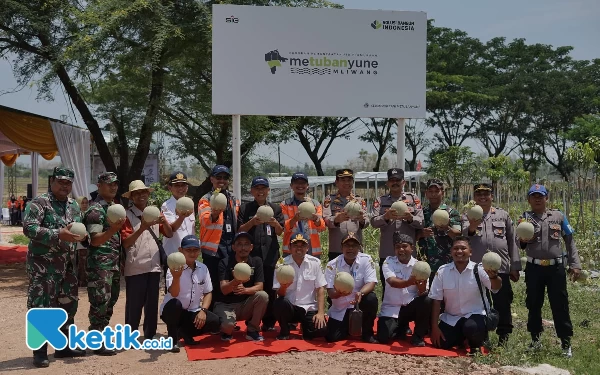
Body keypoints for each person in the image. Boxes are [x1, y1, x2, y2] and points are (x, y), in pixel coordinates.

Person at [23, 167, 87, 367]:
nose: (65, 186)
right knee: (42, 307)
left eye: (68, 182)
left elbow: (76, 230)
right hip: (43, 267)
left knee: (68, 304)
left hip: (67, 266)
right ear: (52, 181)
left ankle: (63, 346)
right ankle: (39, 352)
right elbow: (29, 228)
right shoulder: (40, 203)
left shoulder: (73, 206)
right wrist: (57, 234)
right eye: (61, 182)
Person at [517, 184, 581, 358]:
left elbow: (569, 241)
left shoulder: (558, 216)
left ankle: (565, 343)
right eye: (534, 196)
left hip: (555, 268)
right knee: (533, 304)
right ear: (529, 199)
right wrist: (522, 239)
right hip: (534, 268)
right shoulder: (525, 219)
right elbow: (520, 244)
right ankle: (535, 340)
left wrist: (575, 264)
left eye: (541, 195)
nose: (537, 198)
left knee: (560, 305)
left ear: (546, 198)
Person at [462, 183, 520, 346]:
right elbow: (463, 237)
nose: (482, 197)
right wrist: (472, 226)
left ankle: (504, 337)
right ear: (474, 197)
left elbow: (512, 241)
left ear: (491, 196)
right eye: (479, 194)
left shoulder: (503, 215)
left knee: (502, 303)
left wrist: (514, 266)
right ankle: (482, 336)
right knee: (479, 303)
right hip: (477, 269)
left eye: (486, 194)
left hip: (500, 268)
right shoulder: (468, 215)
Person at [429, 236, 502, 355]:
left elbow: (495, 287)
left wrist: (493, 276)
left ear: (470, 252)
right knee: (441, 344)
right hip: (452, 318)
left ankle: (475, 342)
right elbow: (436, 300)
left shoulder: (479, 269)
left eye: (463, 248)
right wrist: (434, 328)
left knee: (471, 328)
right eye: (456, 248)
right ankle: (462, 339)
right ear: (451, 251)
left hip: (475, 316)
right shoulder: (443, 271)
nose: (459, 251)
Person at [120, 180, 174, 340]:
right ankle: (130, 336)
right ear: (131, 197)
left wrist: (164, 222)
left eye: (144, 192)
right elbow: (126, 242)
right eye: (136, 193)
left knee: (152, 304)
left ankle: (149, 335)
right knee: (134, 305)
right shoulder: (127, 215)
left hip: (154, 265)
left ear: (148, 194)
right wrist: (142, 227)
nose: (141, 195)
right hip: (135, 265)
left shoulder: (155, 212)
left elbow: (169, 234)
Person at [84, 172, 126, 356]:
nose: (113, 187)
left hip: (113, 263)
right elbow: (95, 240)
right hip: (99, 265)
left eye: (116, 184)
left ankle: (100, 335)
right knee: (100, 302)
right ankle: (95, 338)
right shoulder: (95, 210)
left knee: (111, 300)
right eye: (109, 184)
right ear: (99, 185)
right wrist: (114, 229)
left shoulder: (113, 207)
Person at [237, 176, 284, 332]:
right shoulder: (245, 208)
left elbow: (280, 231)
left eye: (263, 188)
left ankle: (269, 321)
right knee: (252, 287)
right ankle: (251, 319)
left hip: (270, 255)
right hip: (252, 256)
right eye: (257, 188)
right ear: (252, 191)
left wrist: (275, 223)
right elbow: (239, 230)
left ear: (268, 190)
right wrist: (252, 222)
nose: (260, 191)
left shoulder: (275, 209)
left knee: (270, 289)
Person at [160, 235, 220, 353]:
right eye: (188, 250)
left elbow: (208, 292)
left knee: (215, 321)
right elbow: (174, 293)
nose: (192, 253)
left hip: (192, 311)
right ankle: (172, 339)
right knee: (175, 304)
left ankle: (183, 332)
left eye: (195, 250)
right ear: (180, 250)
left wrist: (203, 310)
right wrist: (176, 277)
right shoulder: (173, 267)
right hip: (172, 311)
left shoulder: (203, 268)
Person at [371, 168, 424, 297]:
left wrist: (410, 218)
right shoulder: (380, 200)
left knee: (412, 287)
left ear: (403, 182)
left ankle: (411, 313)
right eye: (392, 180)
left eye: (397, 180)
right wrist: (386, 217)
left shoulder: (413, 199)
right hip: (387, 251)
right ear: (387, 183)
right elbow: (373, 222)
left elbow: (421, 222)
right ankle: (388, 314)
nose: (395, 183)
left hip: (408, 253)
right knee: (388, 287)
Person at [378, 233, 431, 346]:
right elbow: (392, 282)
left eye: (404, 246)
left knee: (426, 300)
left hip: (409, 307)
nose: (401, 249)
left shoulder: (420, 266)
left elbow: (422, 293)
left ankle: (418, 336)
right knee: (383, 338)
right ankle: (401, 328)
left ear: (412, 248)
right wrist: (409, 282)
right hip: (391, 308)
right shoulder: (388, 262)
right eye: (397, 247)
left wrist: (422, 286)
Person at [214, 232, 269, 342]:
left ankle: (252, 330)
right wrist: (235, 281)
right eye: (239, 244)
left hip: (245, 305)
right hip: (226, 305)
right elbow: (224, 290)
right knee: (228, 326)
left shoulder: (257, 261)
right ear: (233, 247)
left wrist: (245, 290)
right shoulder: (224, 262)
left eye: (246, 244)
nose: (243, 248)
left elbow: (260, 286)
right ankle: (226, 329)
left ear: (251, 247)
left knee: (263, 296)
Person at [198, 165, 240, 305]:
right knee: (213, 285)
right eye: (218, 177)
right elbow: (205, 221)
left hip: (230, 248)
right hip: (213, 251)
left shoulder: (233, 199)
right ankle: (211, 318)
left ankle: (228, 317)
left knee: (228, 283)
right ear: (211, 179)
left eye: (225, 177)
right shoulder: (205, 199)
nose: (221, 180)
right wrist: (215, 212)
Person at [325, 232, 378, 343]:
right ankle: (348, 328)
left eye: (354, 245)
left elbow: (371, 283)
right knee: (332, 338)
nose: (350, 248)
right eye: (347, 245)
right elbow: (330, 291)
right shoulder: (332, 265)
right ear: (341, 247)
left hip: (359, 304)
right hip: (341, 307)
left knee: (371, 298)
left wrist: (361, 293)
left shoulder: (366, 260)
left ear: (359, 247)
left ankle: (367, 333)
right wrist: (339, 293)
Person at [272, 233, 327, 340]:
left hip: (309, 307)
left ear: (307, 248)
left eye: (302, 245)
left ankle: (305, 327)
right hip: (290, 308)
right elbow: (279, 292)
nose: (299, 248)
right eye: (295, 245)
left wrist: (320, 313)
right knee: (279, 303)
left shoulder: (315, 263)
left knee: (322, 331)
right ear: (289, 248)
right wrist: (284, 286)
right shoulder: (281, 264)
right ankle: (284, 329)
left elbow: (320, 288)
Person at [417, 179, 461, 284]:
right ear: (426, 193)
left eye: (437, 191)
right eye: (430, 191)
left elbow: (458, 235)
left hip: (446, 264)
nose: (433, 194)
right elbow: (414, 236)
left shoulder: (451, 212)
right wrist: (422, 233)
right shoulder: (421, 213)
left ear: (442, 193)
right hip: (425, 264)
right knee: (428, 297)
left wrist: (447, 228)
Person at [323, 169, 369, 262]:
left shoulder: (359, 200)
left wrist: (362, 220)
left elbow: (367, 221)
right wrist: (336, 220)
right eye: (343, 180)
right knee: (337, 275)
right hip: (337, 248)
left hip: (355, 247)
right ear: (336, 182)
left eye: (349, 180)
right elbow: (325, 219)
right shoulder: (329, 200)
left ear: (353, 182)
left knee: (357, 275)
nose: (346, 183)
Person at [161, 171, 195, 289]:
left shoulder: (190, 203)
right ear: (170, 187)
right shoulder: (167, 205)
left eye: (183, 185)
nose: (181, 188)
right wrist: (181, 216)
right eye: (177, 185)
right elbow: (171, 229)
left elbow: (192, 229)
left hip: (189, 254)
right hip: (174, 255)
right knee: (173, 290)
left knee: (189, 288)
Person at [280, 172, 326, 258]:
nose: (300, 185)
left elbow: (322, 227)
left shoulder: (315, 204)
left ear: (307, 185)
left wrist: (316, 220)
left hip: (312, 249)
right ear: (291, 185)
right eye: (297, 183)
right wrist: (294, 219)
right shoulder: (285, 205)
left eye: (303, 183)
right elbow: (283, 227)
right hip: (291, 249)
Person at [75, 196, 90, 287]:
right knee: (81, 262)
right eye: (82, 203)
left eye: (86, 203)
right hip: (80, 242)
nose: (84, 205)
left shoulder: (88, 214)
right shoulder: (77, 215)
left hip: (88, 241)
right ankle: (81, 281)